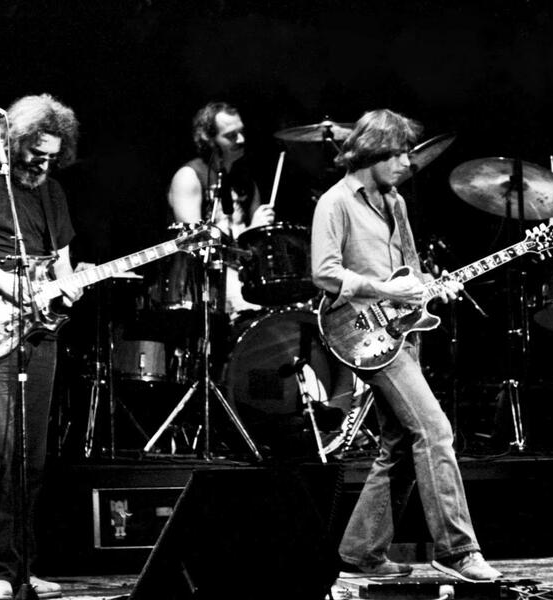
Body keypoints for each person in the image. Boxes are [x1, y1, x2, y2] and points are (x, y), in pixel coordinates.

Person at [311, 108, 502, 582]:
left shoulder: (394, 201)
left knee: (397, 445)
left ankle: (360, 554)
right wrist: (386, 290)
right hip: (361, 332)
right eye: (396, 154)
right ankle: (457, 550)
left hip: (403, 332)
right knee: (435, 431)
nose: (405, 163)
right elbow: (324, 273)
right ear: (370, 151)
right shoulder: (336, 202)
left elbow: (410, 270)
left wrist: (432, 286)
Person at [0, 94, 84, 599]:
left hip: (38, 330)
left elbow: (61, 261)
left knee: (30, 457)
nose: (43, 164)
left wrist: (69, 286)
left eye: (53, 157)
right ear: (12, 142)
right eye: (36, 154)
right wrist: (6, 283)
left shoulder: (51, 193)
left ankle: (21, 567)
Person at [167, 101, 275, 317]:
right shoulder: (189, 177)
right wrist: (249, 233)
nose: (241, 140)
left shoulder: (246, 182)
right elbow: (194, 244)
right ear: (209, 139)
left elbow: (256, 246)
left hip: (241, 274)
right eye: (231, 136)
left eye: (241, 132)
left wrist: (260, 232)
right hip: (201, 282)